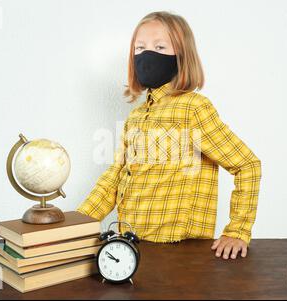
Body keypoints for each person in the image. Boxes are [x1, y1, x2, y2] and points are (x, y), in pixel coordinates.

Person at [76, 11, 262, 260]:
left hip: (179, 251)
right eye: (139, 48)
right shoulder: (136, 117)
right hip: (131, 247)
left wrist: (238, 231)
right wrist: (76, 225)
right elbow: (115, 178)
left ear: (182, 57)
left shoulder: (193, 108)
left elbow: (247, 165)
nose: (146, 55)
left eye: (159, 46)